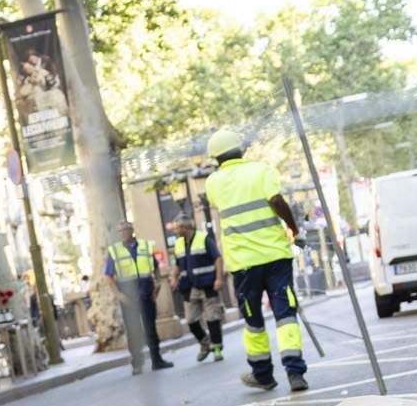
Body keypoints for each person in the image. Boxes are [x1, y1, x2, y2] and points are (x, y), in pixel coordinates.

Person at [205, 127, 309, 392]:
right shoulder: (261, 170)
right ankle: (295, 372)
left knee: (253, 321)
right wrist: (293, 229)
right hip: (276, 257)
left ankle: (263, 375)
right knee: (285, 315)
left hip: (243, 264)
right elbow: (276, 200)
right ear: (241, 150)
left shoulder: (213, 183)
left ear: (216, 157)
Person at [102, 222, 174, 372]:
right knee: (133, 331)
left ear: (132, 230)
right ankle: (137, 364)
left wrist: (158, 285)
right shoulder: (115, 251)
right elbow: (108, 276)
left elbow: (155, 269)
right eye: (120, 231)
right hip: (128, 298)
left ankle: (157, 360)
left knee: (150, 329)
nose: (122, 233)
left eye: (125, 230)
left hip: (146, 294)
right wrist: (119, 295)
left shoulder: (145, 247)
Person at [172, 202, 224, 361]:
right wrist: (174, 278)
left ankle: (217, 349)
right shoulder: (178, 244)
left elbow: (218, 258)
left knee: (212, 317)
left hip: (208, 284)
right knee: (191, 320)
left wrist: (219, 278)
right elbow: (177, 264)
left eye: (177, 228)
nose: (175, 230)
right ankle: (205, 342)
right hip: (189, 288)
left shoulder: (204, 238)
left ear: (185, 228)